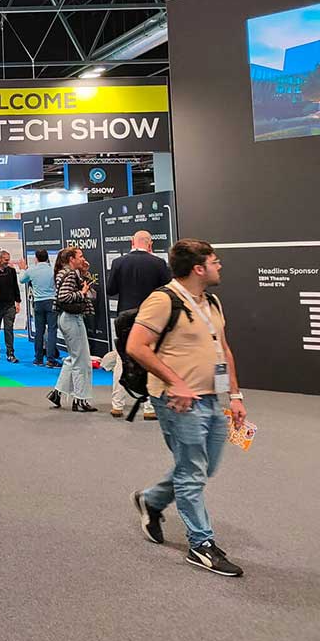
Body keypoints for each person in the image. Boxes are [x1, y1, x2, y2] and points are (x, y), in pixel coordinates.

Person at [128, 239, 247, 577]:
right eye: (214, 261)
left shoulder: (212, 302)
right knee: (192, 470)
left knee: (204, 466)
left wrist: (235, 396)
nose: (219, 266)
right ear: (198, 268)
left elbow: (223, 349)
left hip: (210, 397)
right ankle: (201, 544)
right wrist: (176, 381)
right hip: (176, 400)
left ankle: (152, 500)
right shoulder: (163, 300)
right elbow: (136, 346)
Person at [107, 231, 172, 419]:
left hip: (124, 318)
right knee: (150, 359)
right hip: (151, 318)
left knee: (121, 359)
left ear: (131, 242)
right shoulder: (159, 263)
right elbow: (167, 291)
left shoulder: (118, 262)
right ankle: (149, 408)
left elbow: (111, 290)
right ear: (150, 244)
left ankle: (117, 405)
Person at [48, 247, 98, 412]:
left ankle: (57, 393)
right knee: (81, 362)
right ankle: (80, 399)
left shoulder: (66, 272)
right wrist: (81, 293)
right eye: (80, 256)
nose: (83, 258)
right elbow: (64, 296)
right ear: (71, 259)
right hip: (71, 318)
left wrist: (84, 273)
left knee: (75, 358)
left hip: (68, 318)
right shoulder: (69, 274)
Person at [19, 250, 60, 367]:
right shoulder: (53, 270)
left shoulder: (32, 270)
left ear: (36, 258)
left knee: (39, 331)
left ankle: (38, 359)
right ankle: (51, 359)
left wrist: (22, 269)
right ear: (47, 258)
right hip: (51, 301)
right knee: (52, 330)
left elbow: (21, 280)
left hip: (38, 303)